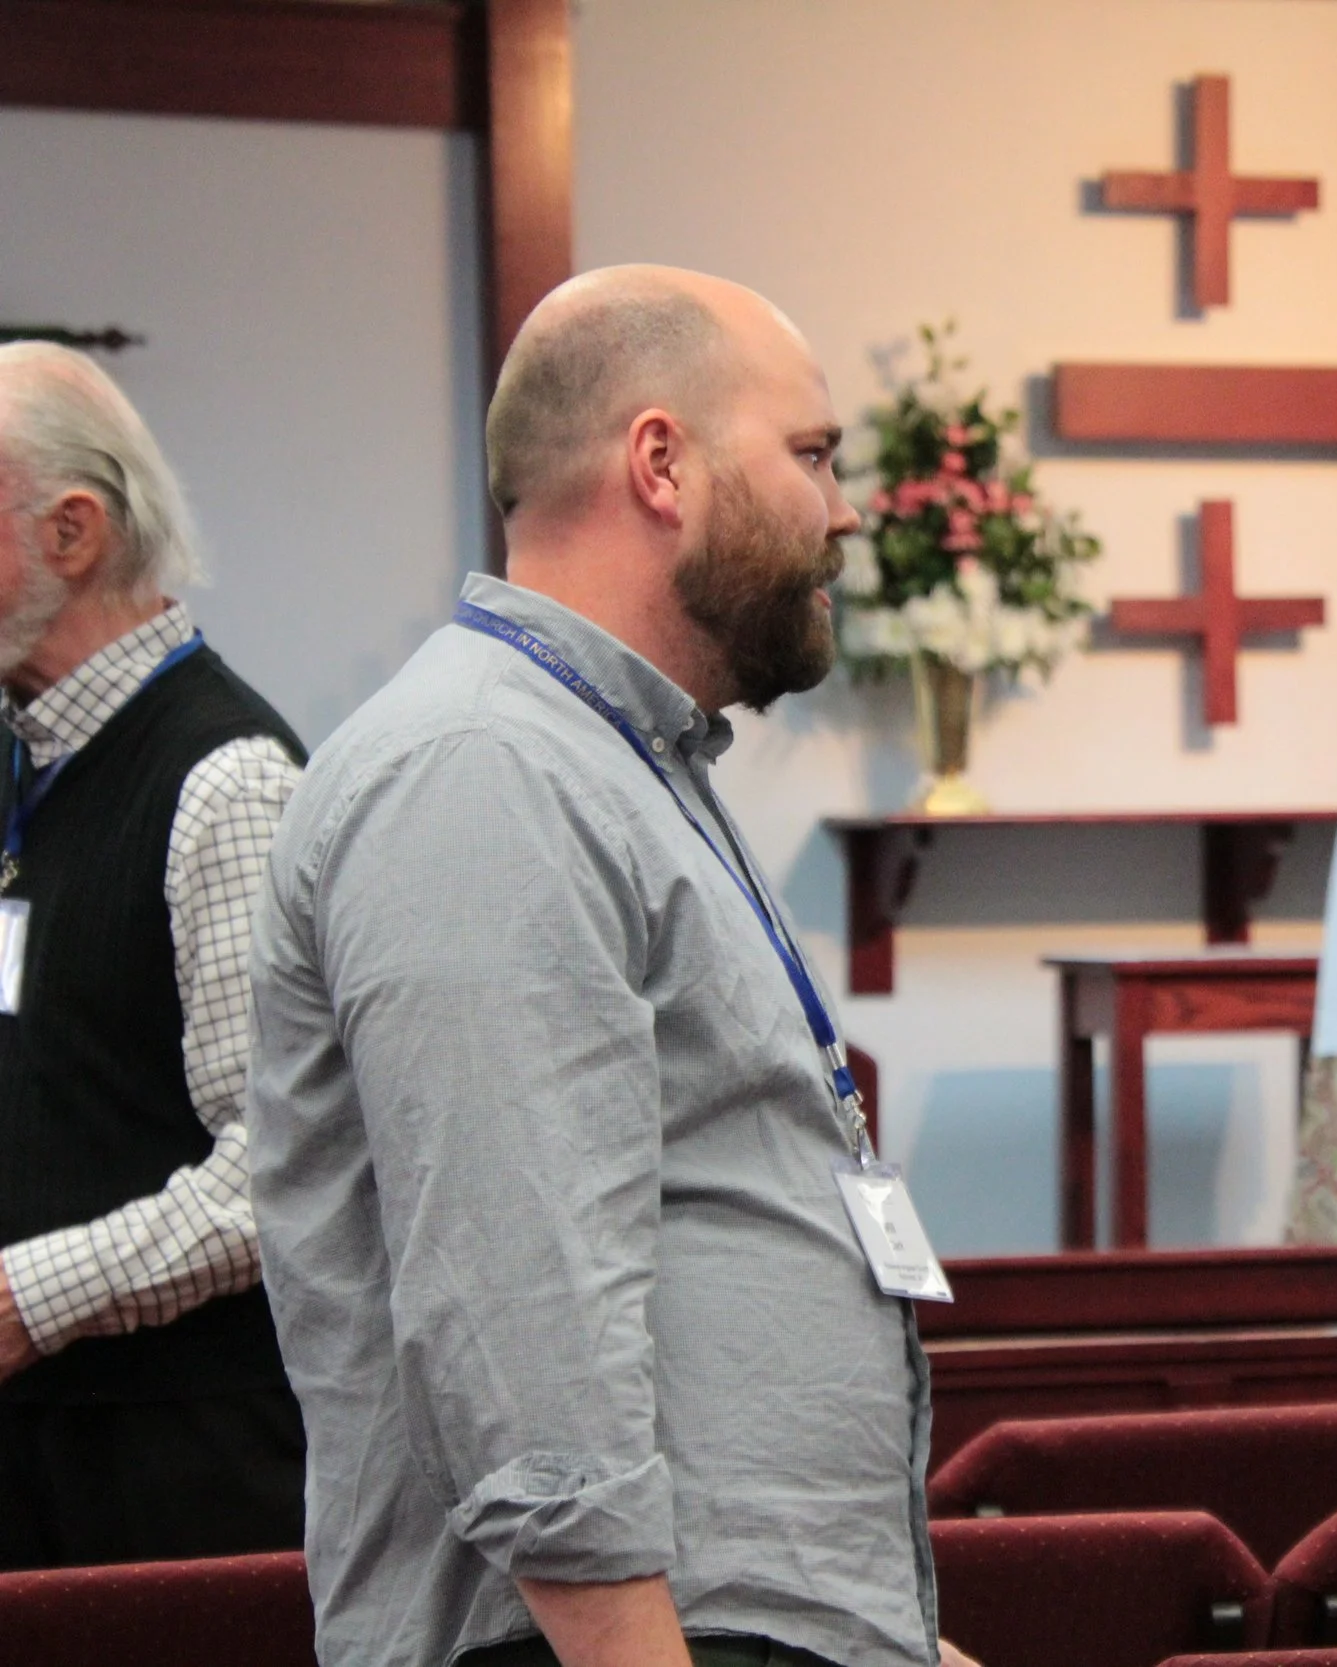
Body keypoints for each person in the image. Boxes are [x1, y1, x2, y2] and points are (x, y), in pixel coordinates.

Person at [249, 267, 968, 1667]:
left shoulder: (618, 757)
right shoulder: (485, 767)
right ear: (661, 463)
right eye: (813, 453)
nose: (843, 509)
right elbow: (522, 1325)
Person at [0, 344, 307, 1569]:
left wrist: (25, 1298)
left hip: (179, 1479)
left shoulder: (226, 781)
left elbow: (278, 1171)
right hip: (41, 1451)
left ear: (72, 531)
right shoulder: (30, 762)